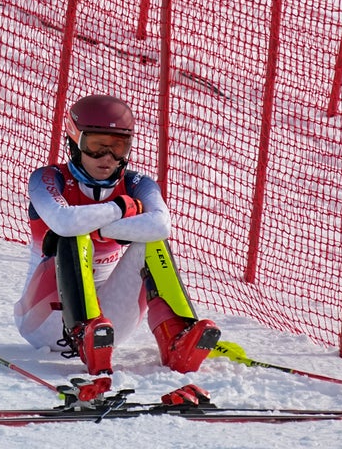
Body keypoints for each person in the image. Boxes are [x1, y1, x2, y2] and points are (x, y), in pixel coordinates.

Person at [14, 94, 220, 376]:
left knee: (151, 243)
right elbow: (63, 221)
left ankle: (176, 338)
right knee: (72, 236)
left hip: (108, 328)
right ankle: (83, 329)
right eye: (96, 146)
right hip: (44, 319)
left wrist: (98, 226)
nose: (107, 158)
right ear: (75, 142)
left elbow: (160, 226)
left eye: (118, 147)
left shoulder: (138, 183)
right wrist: (121, 208)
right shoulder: (48, 178)